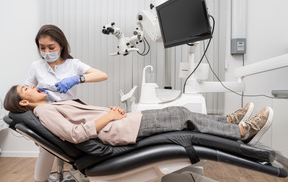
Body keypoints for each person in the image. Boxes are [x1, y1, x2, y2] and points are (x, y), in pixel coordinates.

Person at [4, 85, 274, 148]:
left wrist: (111, 114)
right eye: (27, 88)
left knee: (181, 113)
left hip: (120, 122)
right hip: (118, 130)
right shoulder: (44, 110)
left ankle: (226, 122)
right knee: (181, 115)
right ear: (25, 102)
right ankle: (241, 132)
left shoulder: (48, 106)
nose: (34, 86)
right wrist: (110, 116)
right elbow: (74, 134)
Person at [25, 24, 108, 182]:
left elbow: (102, 75)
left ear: (61, 46)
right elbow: (26, 92)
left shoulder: (73, 64)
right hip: (48, 115)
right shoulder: (36, 66)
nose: (47, 52)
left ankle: (85, 174)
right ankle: (40, 180)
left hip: (70, 113)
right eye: (42, 48)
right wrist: (37, 91)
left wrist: (77, 78)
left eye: (51, 47)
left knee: (86, 138)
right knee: (47, 145)